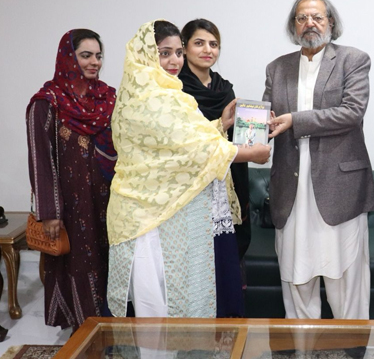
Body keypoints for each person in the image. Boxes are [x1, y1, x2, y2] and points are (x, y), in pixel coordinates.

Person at [106, 20, 269, 318]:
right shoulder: (150, 97)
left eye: (178, 52)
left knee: (174, 298)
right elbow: (194, 149)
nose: (174, 61)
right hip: (148, 218)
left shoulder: (168, 94)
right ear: (144, 55)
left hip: (166, 212)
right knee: (157, 305)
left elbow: (183, 141)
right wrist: (250, 154)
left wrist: (221, 124)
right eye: (164, 53)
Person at [263, 0, 374, 320]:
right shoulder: (277, 68)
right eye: (301, 18)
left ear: (331, 22)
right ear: (293, 26)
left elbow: (352, 113)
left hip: (339, 188)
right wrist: (244, 123)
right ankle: (301, 348)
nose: (309, 23)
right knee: (297, 279)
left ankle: (355, 349)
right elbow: (265, 118)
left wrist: (295, 120)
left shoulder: (352, 59)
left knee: (346, 280)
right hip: (291, 188)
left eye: (317, 17)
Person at [179, 18, 270, 318]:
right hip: (192, 190)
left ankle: (225, 331)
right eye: (199, 43)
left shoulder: (223, 87)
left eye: (214, 44)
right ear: (184, 47)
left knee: (224, 259)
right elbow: (188, 144)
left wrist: (254, 138)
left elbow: (237, 136)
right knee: (196, 262)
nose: (208, 50)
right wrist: (222, 126)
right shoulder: (177, 90)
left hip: (225, 186)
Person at [26, 29, 116, 330]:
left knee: (108, 261)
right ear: (69, 57)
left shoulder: (107, 98)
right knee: (79, 263)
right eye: (86, 55)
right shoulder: (47, 102)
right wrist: (49, 213)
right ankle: (83, 333)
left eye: (98, 56)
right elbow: (40, 159)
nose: (94, 62)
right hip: (71, 207)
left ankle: (108, 330)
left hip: (108, 201)